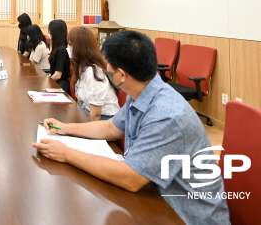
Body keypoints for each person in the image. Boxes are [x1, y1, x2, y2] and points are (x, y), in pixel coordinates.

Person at [32, 31, 230, 225]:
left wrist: (66, 153)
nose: (105, 67)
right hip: (156, 197)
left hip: (184, 214)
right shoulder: (144, 92)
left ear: (121, 75)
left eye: (108, 63)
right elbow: (111, 127)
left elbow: (132, 178)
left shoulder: (167, 115)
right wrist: (66, 128)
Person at [68, 26, 119, 120]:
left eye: (70, 44)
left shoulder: (93, 72)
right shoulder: (83, 68)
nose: (68, 48)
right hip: (87, 112)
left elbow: (96, 116)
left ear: (78, 48)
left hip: (104, 119)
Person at [47, 19, 71, 92]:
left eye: (50, 32)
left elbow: (58, 75)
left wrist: (46, 81)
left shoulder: (61, 50)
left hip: (60, 84)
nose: (49, 35)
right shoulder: (58, 48)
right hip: (56, 83)